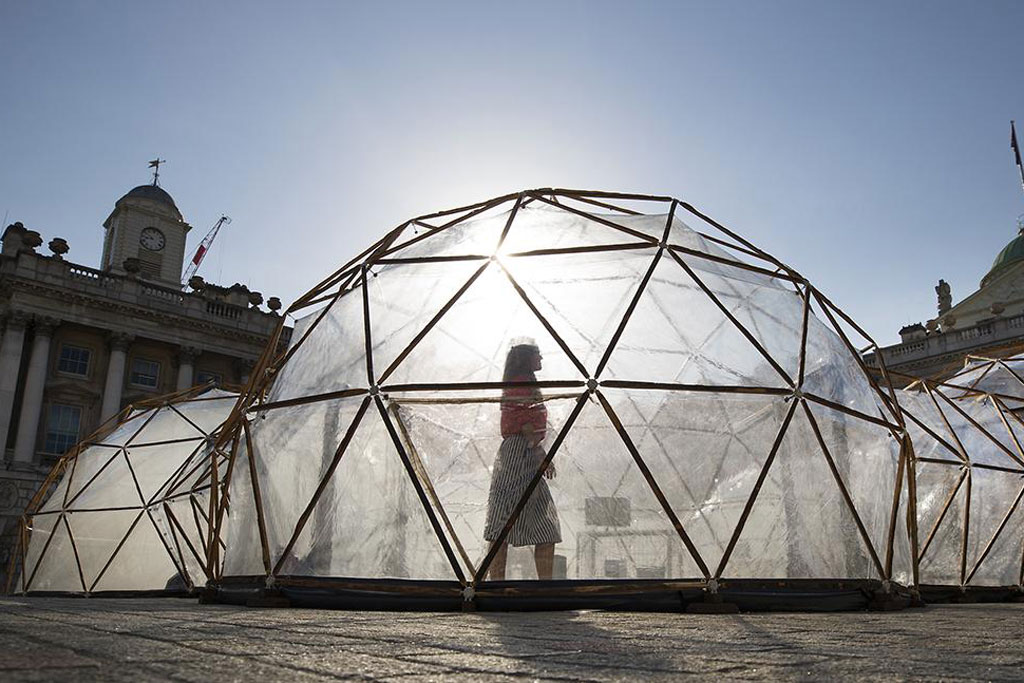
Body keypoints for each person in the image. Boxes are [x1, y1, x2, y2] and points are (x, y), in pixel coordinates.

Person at [483, 340, 561, 580]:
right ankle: (506, 585)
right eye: (538, 355)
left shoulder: (520, 382)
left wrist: (538, 450)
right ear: (526, 358)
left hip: (521, 451)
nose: (542, 359)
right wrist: (539, 454)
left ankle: (504, 584)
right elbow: (524, 420)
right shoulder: (520, 383)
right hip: (520, 452)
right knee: (505, 521)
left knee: (512, 521)